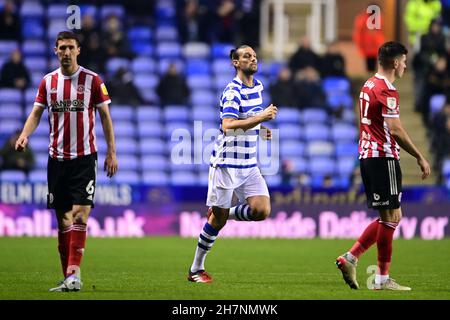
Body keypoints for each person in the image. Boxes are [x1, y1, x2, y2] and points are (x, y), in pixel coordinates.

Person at [15, 31, 118, 292]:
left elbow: (105, 116)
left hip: (84, 158)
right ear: (55, 50)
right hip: (57, 159)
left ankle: (74, 276)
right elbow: (36, 113)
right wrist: (25, 135)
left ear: (78, 50)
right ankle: (68, 277)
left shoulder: (93, 80)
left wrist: (112, 152)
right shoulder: (47, 82)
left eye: (70, 47)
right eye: (62, 48)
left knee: (81, 215)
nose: (66, 52)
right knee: (63, 221)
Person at [335, 42, 431, 291]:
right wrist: (420, 156)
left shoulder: (368, 85)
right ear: (396, 62)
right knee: (391, 217)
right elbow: (396, 129)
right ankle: (380, 278)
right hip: (383, 156)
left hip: (367, 155)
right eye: (404, 61)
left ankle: (351, 258)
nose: (406, 66)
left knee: (391, 216)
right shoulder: (387, 90)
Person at [187, 45, 277, 283]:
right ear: (236, 63)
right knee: (217, 221)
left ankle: (224, 214)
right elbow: (228, 125)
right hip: (226, 164)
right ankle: (196, 268)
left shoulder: (258, 87)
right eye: (247, 56)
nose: (253, 59)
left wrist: (260, 130)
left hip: (249, 165)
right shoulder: (232, 91)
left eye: (255, 55)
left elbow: (246, 119)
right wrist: (261, 118)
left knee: (261, 211)